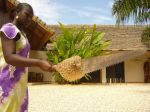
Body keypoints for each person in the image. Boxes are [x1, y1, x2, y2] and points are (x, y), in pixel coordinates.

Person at [0, 3, 53, 112]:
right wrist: (38, 62)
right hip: (7, 81)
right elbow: (9, 57)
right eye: (27, 14)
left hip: (20, 82)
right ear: (17, 13)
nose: (29, 19)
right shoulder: (8, 29)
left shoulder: (22, 34)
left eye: (31, 17)